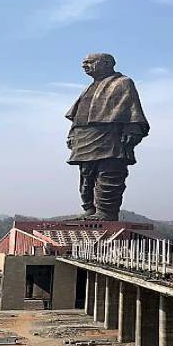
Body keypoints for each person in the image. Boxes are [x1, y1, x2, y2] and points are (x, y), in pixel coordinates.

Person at [65, 53, 149, 221]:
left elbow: (132, 108)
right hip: (84, 137)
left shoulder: (123, 83)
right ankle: (89, 209)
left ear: (106, 63)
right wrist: (72, 134)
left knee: (109, 172)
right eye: (84, 63)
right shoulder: (89, 88)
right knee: (86, 175)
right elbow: (78, 115)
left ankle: (106, 212)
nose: (84, 65)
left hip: (110, 135)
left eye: (90, 62)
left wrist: (132, 129)